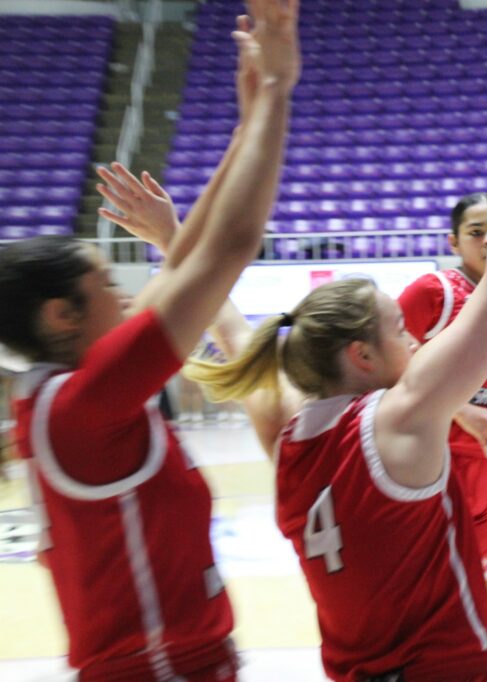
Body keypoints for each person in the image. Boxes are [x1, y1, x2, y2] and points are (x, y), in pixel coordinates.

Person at [185, 36, 487, 680]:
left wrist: (173, 238)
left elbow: (227, 324)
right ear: (363, 354)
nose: (417, 340)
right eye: (403, 330)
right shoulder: (405, 418)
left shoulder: (286, 432)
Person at [0, 5, 300, 679]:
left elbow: (189, 266)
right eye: (106, 283)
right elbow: (225, 249)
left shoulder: (63, 395)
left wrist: (247, 125)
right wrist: (278, 90)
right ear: (61, 316)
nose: (130, 292)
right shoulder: (83, 405)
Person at [396, 190, 487, 628]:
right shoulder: (431, 291)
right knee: (433, 617)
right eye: (477, 232)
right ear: (454, 242)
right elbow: (389, 368)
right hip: (440, 470)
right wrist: (457, 408)